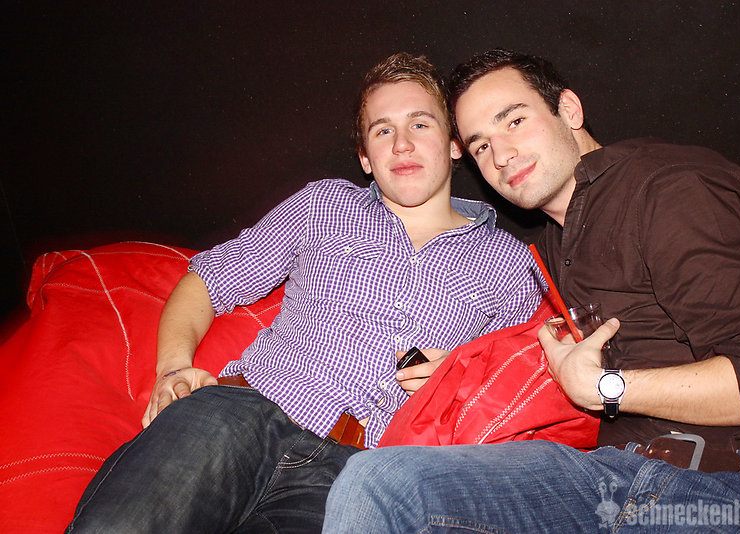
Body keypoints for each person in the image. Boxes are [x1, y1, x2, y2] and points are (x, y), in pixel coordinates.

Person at [65, 53, 546, 533]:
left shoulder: (511, 264)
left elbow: (510, 399)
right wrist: (172, 369)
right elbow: (208, 281)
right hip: (240, 415)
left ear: (454, 144)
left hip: (354, 475)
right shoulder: (323, 204)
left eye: (420, 124)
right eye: (383, 130)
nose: (402, 144)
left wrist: (457, 382)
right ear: (365, 157)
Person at [322, 49, 740, 533]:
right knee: (379, 481)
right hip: (604, 483)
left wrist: (607, 388)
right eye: (481, 145)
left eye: (514, 121)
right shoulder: (548, 251)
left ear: (568, 109)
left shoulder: (666, 188)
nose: (502, 155)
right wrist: (465, 369)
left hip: (726, 486)